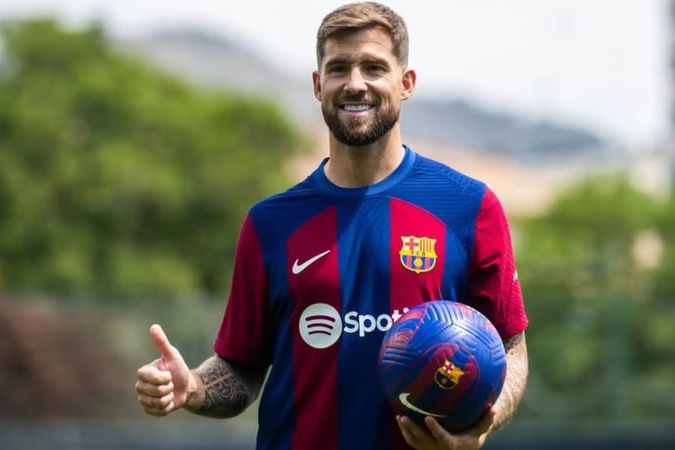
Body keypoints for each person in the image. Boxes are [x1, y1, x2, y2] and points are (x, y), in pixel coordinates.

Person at [134, 2, 529, 449]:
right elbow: (241, 367)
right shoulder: (270, 224)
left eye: (373, 67)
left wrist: (481, 425)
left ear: (406, 83)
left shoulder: (468, 207)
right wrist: (192, 387)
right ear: (318, 84)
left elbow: (511, 349)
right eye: (339, 68)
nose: (355, 83)